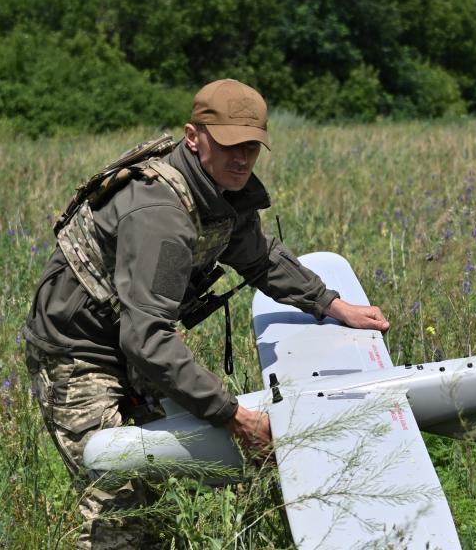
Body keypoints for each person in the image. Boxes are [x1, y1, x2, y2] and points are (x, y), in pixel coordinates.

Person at [23, 79, 390, 548]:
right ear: (193, 137)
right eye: (230, 145)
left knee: (161, 484)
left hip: (131, 339)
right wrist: (231, 415)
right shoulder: (160, 214)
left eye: (252, 147)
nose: (242, 158)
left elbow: (260, 257)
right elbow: (149, 338)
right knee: (121, 506)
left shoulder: (220, 192)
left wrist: (331, 304)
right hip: (78, 354)